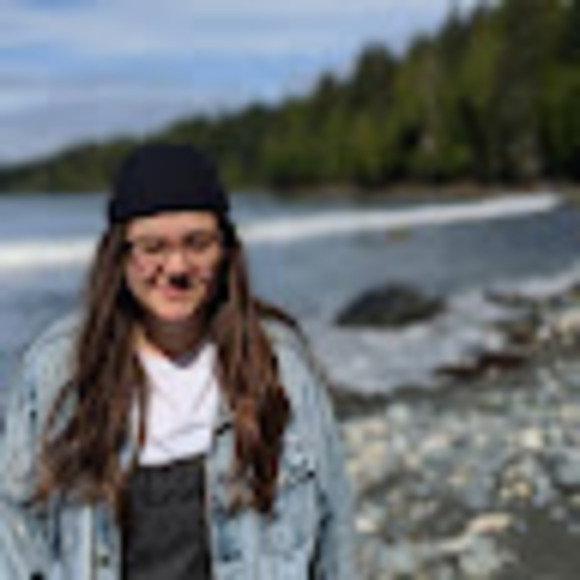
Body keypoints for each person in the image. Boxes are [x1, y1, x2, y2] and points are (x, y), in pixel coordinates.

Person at [0, 143, 356, 579]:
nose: (177, 267)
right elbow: (14, 536)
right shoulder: (58, 370)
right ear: (119, 254)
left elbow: (335, 535)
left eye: (197, 243)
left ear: (225, 249)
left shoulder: (280, 365)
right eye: (153, 247)